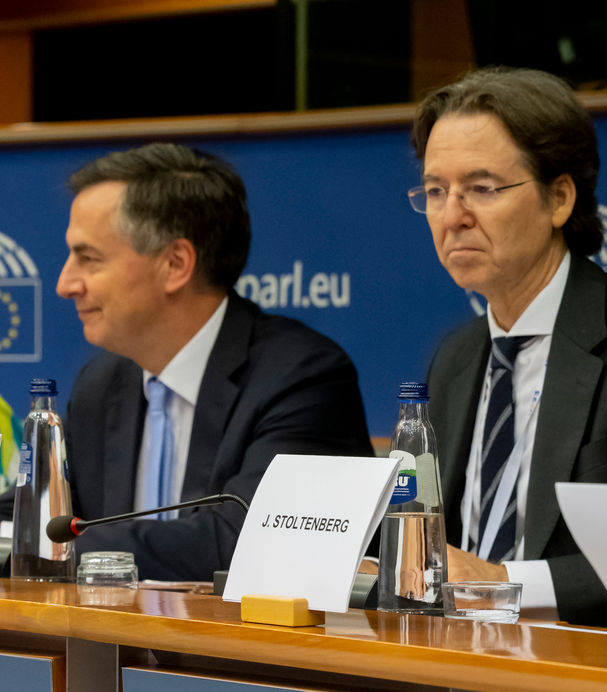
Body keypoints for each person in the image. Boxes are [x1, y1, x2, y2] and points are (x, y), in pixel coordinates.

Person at [412, 68, 607, 626]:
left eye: (482, 188)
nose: (452, 216)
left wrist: (504, 583)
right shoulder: (455, 358)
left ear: (558, 198)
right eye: (435, 191)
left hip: (587, 660)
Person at [0, 143, 373, 581]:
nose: (65, 284)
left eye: (89, 259)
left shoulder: (303, 379)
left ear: (175, 264)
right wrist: (27, 537)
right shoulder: (101, 385)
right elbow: (38, 511)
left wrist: (44, 549)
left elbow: (245, 541)